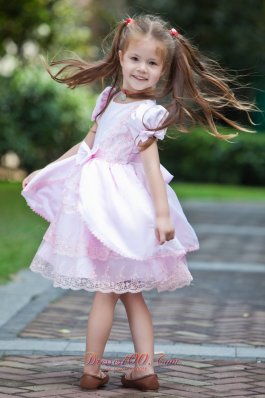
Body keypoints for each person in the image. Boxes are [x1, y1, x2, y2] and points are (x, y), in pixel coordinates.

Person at [21, 14, 255, 392]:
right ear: (121, 55)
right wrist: (48, 168)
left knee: (112, 292)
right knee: (127, 292)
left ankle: (96, 370)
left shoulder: (148, 113)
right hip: (99, 208)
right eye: (136, 59)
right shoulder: (108, 98)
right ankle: (138, 369)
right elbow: (87, 146)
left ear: (163, 70)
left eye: (152, 63)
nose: (142, 69)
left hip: (124, 211)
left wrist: (163, 216)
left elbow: (151, 167)